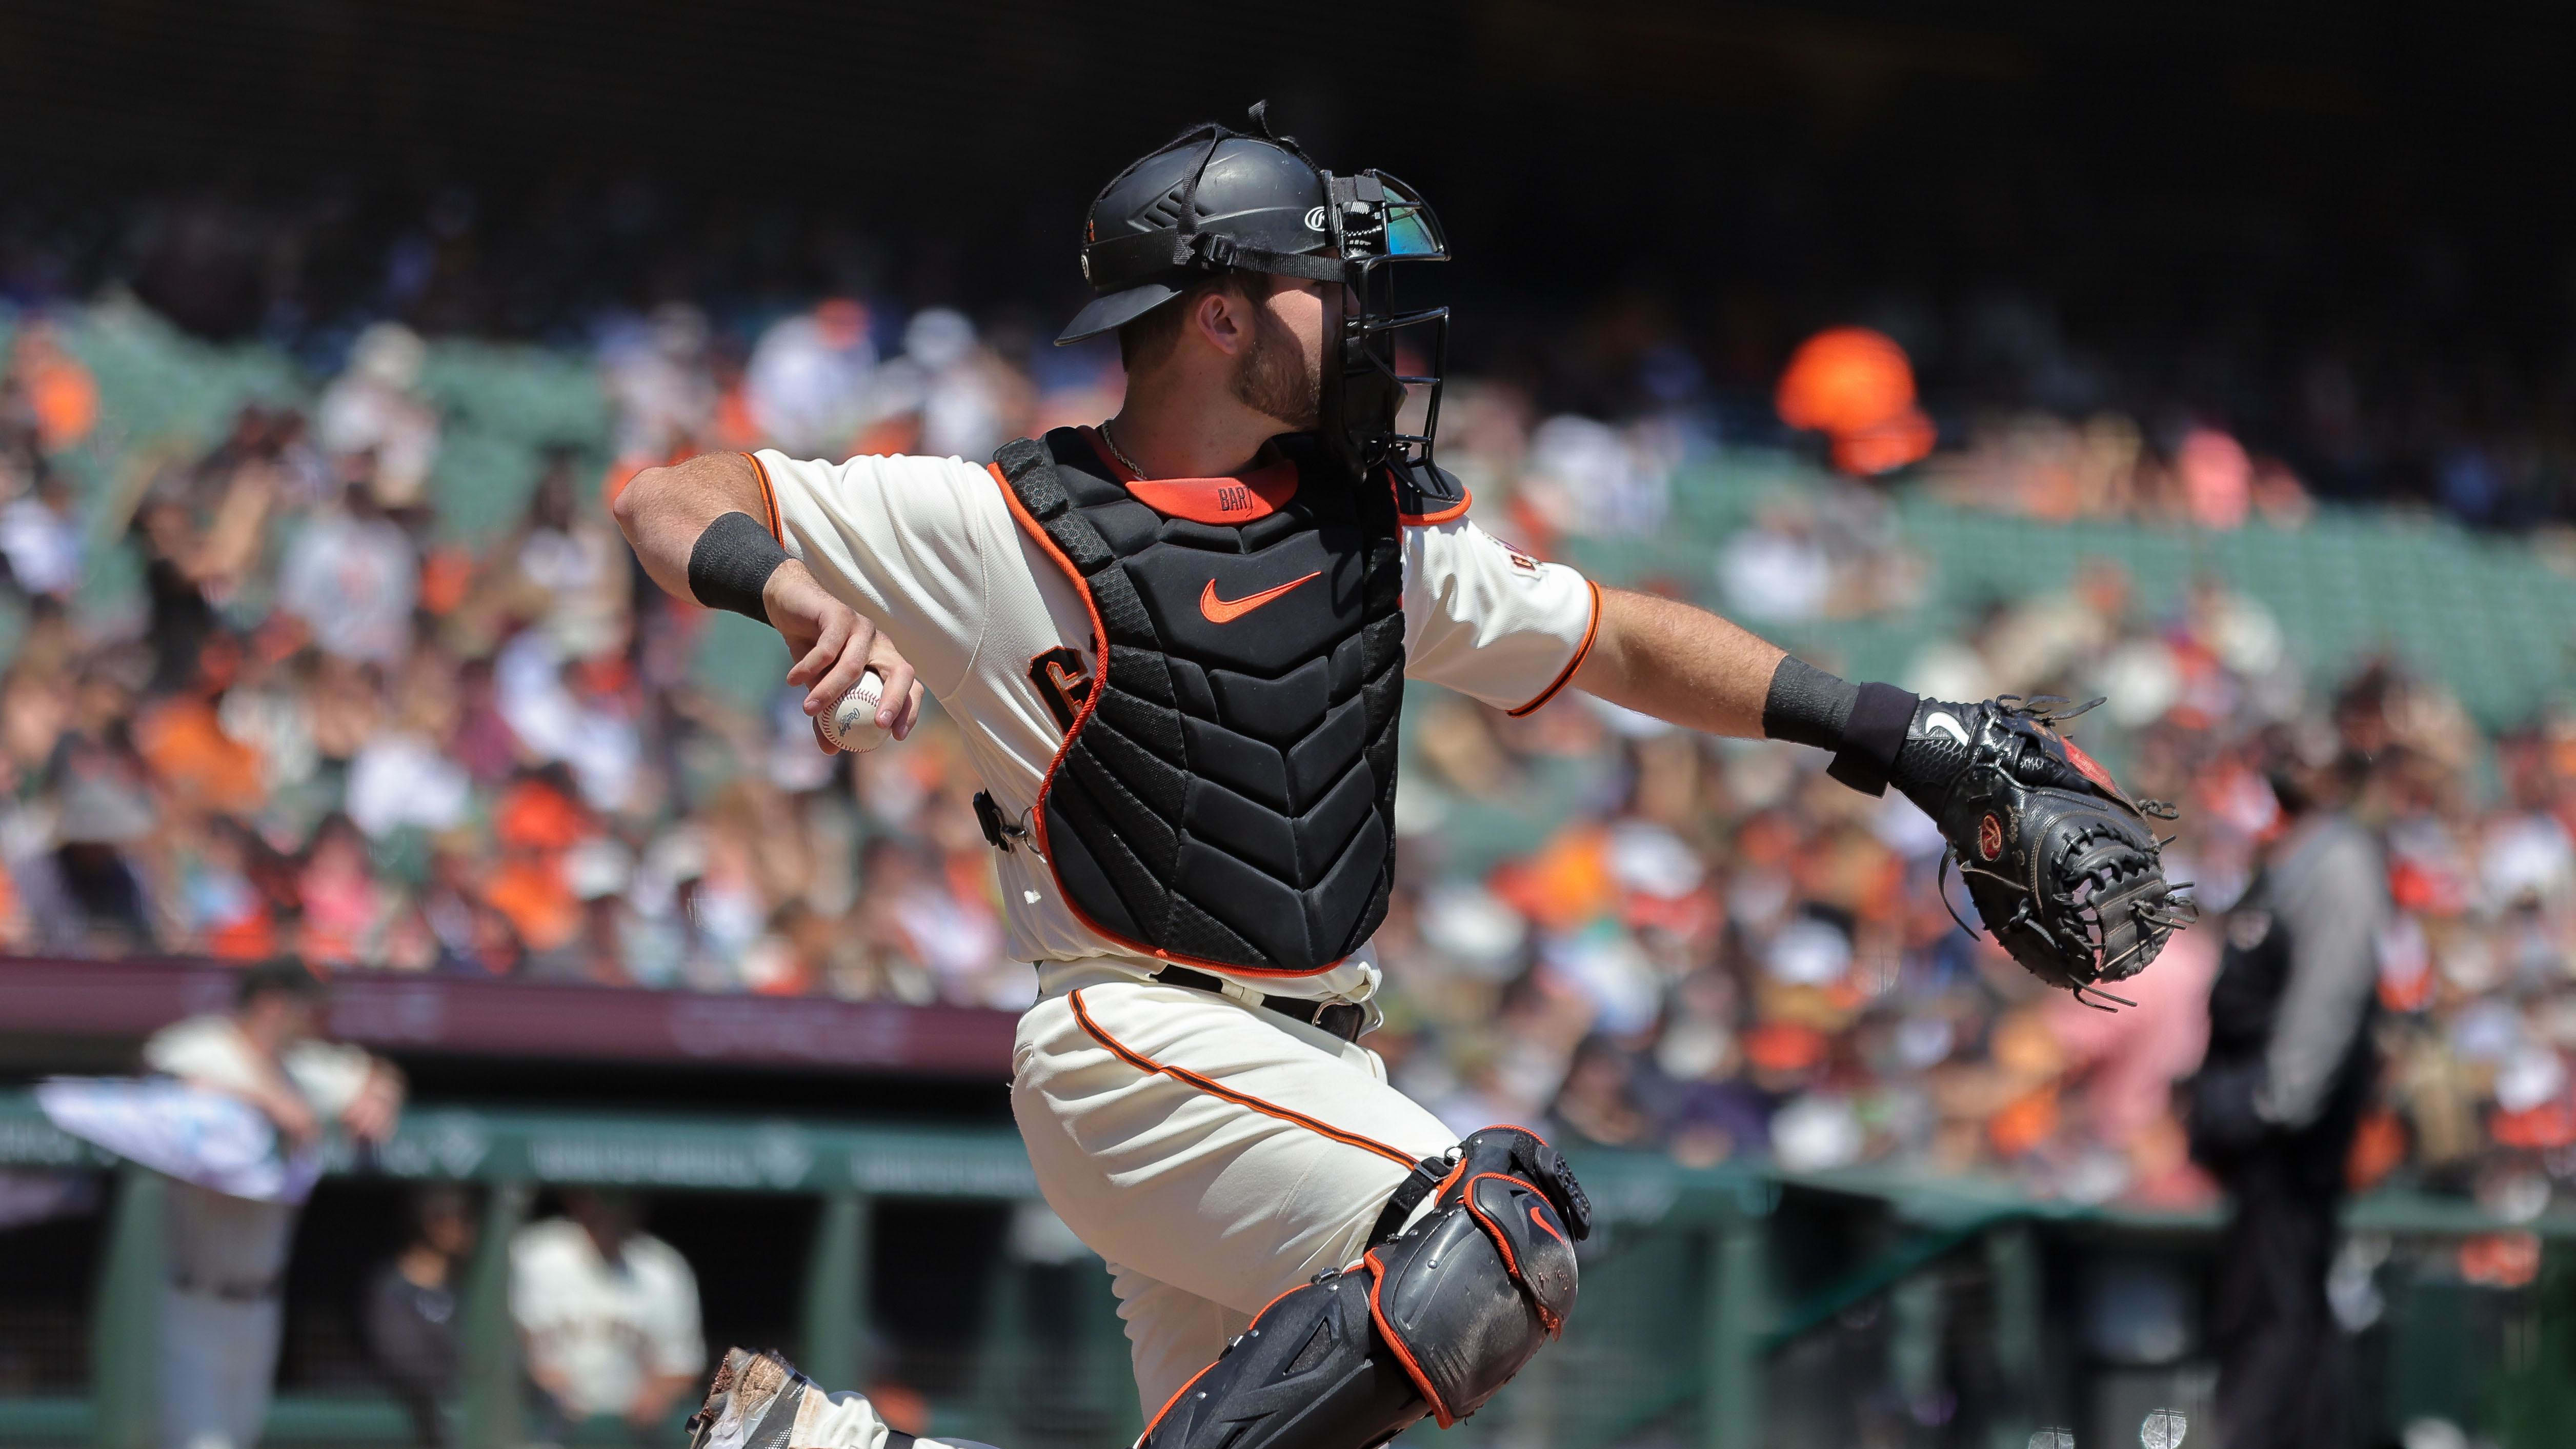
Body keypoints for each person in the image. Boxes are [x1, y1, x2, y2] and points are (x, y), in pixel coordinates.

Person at [614, 109, 2180, 1449]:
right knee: (1490, 1236)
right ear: (1220, 313)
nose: (1371, 323)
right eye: (1327, 287)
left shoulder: (1368, 533)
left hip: (1305, 1066)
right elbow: (664, 494)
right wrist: (788, 585)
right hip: (1132, 1036)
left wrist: (1902, 734)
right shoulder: (983, 521)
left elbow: (1613, 639)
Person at [2187, 732, 2385, 1449]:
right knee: (2264, 1309)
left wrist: (2272, 1104)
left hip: (2291, 1142)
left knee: (2279, 1312)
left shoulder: (2337, 862)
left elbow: (2327, 1001)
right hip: (2263, 1136)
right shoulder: (2293, 858)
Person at [144, 959, 406, 1449]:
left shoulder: (298, 1067)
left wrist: (382, 1091)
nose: (318, 1023)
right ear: (270, 1003)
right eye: (307, 1010)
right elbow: (156, 1078)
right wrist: (267, 1102)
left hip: (260, 1305)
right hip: (192, 1298)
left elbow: (374, 1072)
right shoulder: (204, 1046)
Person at [510, 1189, 705, 1445]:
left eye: (620, 1201)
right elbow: (503, 1340)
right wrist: (546, 1381)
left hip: (631, 1434)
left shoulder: (663, 1268)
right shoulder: (535, 1254)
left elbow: (682, 1366)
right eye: (599, 1198)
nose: (609, 1212)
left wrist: (658, 1393)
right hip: (546, 1427)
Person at [364, 1184, 478, 1448]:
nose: (468, 1227)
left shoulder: (471, 1281)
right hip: (406, 1418)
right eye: (459, 1217)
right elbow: (403, 1360)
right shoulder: (390, 1287)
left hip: (465, 1419)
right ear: (431, 1222)